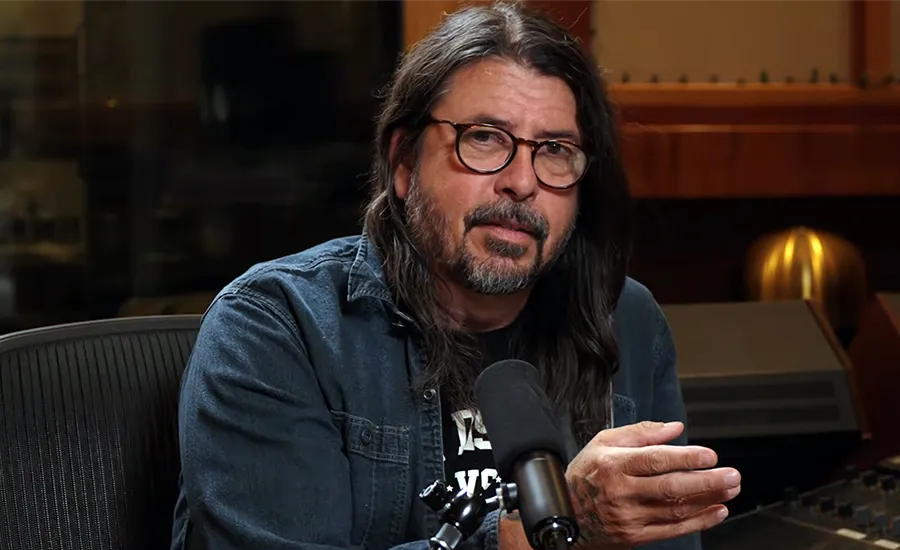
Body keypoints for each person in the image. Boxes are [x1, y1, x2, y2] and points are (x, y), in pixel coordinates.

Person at [169, 3, 741, 550]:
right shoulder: (279, 329)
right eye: (484, 138)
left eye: (554, 149)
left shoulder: (624, 318)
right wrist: (548, 529)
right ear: (403, 162)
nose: (522, 182)